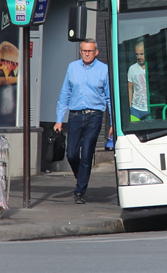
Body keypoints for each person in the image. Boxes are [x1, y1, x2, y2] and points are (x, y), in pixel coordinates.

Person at [55, 38, 113, 204]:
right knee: (72, 154)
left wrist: (112, 123)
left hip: (95, 115)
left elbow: (109, 98)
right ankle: (81, 176)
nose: (87, 54)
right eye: (84, 51)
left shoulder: (104, 69)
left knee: (87, 153)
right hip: (75, 115)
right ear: (80, 51)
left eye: (90, 51)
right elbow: (65, 93)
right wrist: (59, 119)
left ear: (96, 52)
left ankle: (79, 191)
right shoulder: (72, 67)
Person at [127, 41, 148, 121]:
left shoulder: (152, 68)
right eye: (137, 54)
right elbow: (130, 88)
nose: (139, 57)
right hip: (135, 109)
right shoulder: (132, 69)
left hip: (149, 109)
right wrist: (130, 106)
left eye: (142, 54)